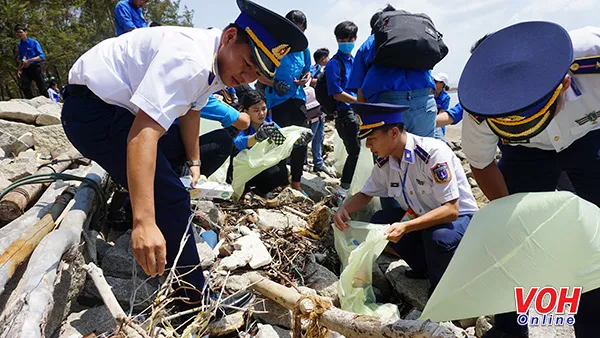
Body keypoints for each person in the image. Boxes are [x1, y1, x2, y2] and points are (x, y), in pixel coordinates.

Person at [61, 0, 307, 311]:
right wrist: (145, 222)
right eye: (246, 63)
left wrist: (194, 163)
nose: (246, 76)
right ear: (230, 36)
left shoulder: (217, 59)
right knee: (173, 197)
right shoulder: (190, 58)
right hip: (91, 113)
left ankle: (137, 207)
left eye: (256, 73)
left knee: (207, 146)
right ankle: (194, 299)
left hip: (116, 110)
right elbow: (142, 136)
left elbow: (192, 112)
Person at [459, 21, 600, 338]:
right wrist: (516, 220)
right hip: (525, 153)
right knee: (509, 238)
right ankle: (509, 329)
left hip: (589, 136)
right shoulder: (481, 102)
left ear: (564, 84)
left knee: (595, 238)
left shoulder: (593, 57)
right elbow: (481, 163)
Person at [333, 102, 478, 294]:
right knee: (380, 221)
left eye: (372, 139)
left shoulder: (432, 154)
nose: (368, 146)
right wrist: (344, 209)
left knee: (438, 238)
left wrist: (406, 226)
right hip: (422, 216)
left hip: (460, 219)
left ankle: (443, 290)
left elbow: (451, 210)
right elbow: (366, 194)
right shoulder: (386, 162)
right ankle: (423, 267)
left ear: (393, 133)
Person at [347, 5, 437, 138]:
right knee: (424, 154)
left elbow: (361, 97)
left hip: (387, 105)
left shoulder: (370, 43)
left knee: (389, 157)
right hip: (424, 101)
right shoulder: (417, 38)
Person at [259, 10, 312, 193]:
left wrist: (306, 78)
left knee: (301, 139)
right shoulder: (272, 44)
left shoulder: (304, 48)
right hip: (277, 100)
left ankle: (296, 182)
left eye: (301, 31)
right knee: (279, 140)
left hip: (297, 98)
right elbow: (259, 72)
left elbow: (307, 70)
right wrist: (274, 82)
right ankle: (281, 182)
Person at [326, 21, 360, 206]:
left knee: (361, 151)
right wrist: (358, 101)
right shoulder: (334, 64)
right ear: (337, 40)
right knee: (354, 152)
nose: (347, 41)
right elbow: (336, 92)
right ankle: (342, 191)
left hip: (359, 112)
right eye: (343, 38)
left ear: (355, 39)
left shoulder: (355, 61)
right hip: (345, 114)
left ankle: (355, 188)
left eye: (350, 38)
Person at [232, 90, 289, 195]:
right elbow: (236, 144)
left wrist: (298, 141)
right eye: (256, 110)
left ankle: (260, 191)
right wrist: (256, 137)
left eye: (263, 109)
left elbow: (283, 141)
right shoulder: (243, 125)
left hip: (261, 166)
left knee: (280, 166)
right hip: (244, 170)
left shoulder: (269, 124)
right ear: (246, 111)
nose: (261, 114)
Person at [15, 24, 48, 99]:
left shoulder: (34, 42)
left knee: (42, 86)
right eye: (17, 33)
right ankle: (31, 101)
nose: (19, 34)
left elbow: (41, 56)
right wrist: (19, 69)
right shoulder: (19, 44)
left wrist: (30, 60)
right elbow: (21, 57)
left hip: (35, 67)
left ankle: (47, 101)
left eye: (20, 32)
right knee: (24, 87)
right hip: (26, 68)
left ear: (25, 32)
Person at [432, 73, 451, 141]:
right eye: (433, 80)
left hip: (439, 125)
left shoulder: (446, 98)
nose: (433, 82)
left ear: (442, 84)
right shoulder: (428, 94)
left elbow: (441, 114)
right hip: (427, 124)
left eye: (436, 81)